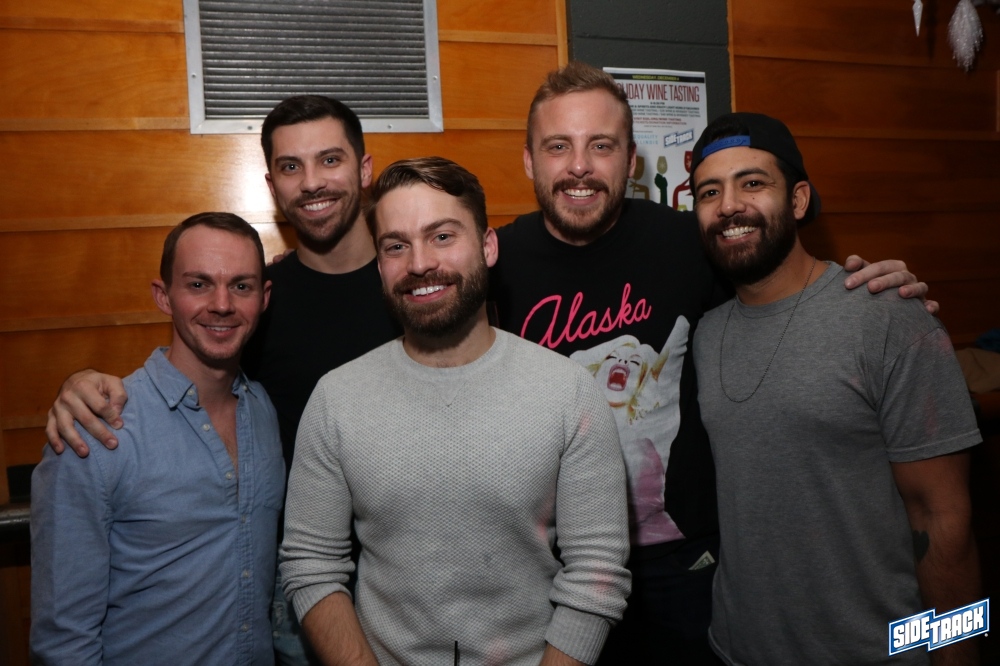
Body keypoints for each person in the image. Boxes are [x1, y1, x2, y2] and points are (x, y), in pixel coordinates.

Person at [489, 61, 938, 663]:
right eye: (557, 146)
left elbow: (781, 286)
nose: (579, 166)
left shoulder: (693, 241)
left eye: (601, 145)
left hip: (689, 561)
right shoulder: (493, 263)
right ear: (529, 161)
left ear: (631, 160)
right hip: (553, 563)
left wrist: (875, 293)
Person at [43, 96, 401, 664]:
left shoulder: (414, 284)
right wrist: (78, 381)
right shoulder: (260, 301)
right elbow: (190, 368)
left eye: (330, 159)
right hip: (297, 594)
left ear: (364, 169)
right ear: (272, 185)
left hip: (412, 580)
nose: (311, 181)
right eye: (291, 166)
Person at [280, 157, 631, 666]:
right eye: (396, 246)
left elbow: (597, 572)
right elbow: (311, 565)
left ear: (488, 247)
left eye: (442, 236)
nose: (419, 263)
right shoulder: (336, 399)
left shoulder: (568, 391)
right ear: (379, 265)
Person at [689, 112, 982, 665]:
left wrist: (959, 659)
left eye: (752, 182)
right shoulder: (705, 335)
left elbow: (944, 520)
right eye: (709, 192)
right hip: (737, 649)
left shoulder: (889, 318)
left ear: (798, 200)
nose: (728, 205)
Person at [30, 213, 284, 665]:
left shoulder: (263, 409)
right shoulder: (98, 430)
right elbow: (64, 642)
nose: (222, 304)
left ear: (262, 299)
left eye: (241, 286)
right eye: (199, 284)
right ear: (163, 296)